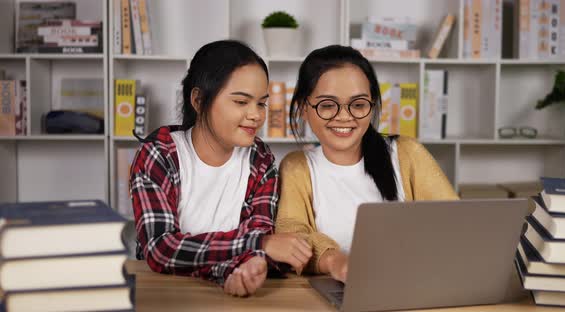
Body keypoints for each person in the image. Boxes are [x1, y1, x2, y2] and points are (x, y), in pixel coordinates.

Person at [130, 40, 311, 297]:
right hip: (162, 294)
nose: (256, 115)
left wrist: (247, 267)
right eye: (241, 102)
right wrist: (258, 245)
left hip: (225, 296)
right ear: (199, 99)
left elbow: (259, 234)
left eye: (261, 103)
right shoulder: (159, 154)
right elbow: (161, 249)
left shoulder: (259, 159)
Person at [276, 45, 458, 283]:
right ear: (303, 109)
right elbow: (292, 232)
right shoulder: (297, 167)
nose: (344, 116)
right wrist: (335, 261)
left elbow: (454, 223)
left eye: (358, 104)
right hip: (341, 292)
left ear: (371, 107)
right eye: (328, 105)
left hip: (416, 285)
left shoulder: (408, 153)